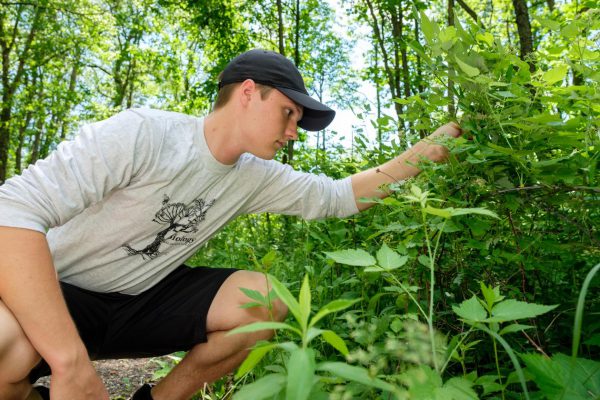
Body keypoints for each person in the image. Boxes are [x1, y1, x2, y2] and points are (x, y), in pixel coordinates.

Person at [0, 49, 461, 400]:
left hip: (140, 302)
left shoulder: (254, 176)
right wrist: (71, 362)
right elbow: (12, 213)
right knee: (6, 350)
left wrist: (427, 153)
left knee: (263, 300)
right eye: (289, 113)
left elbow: (338, 197)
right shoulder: (144, 134)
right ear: (246, 93)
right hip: (56, 296)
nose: (293, 132)